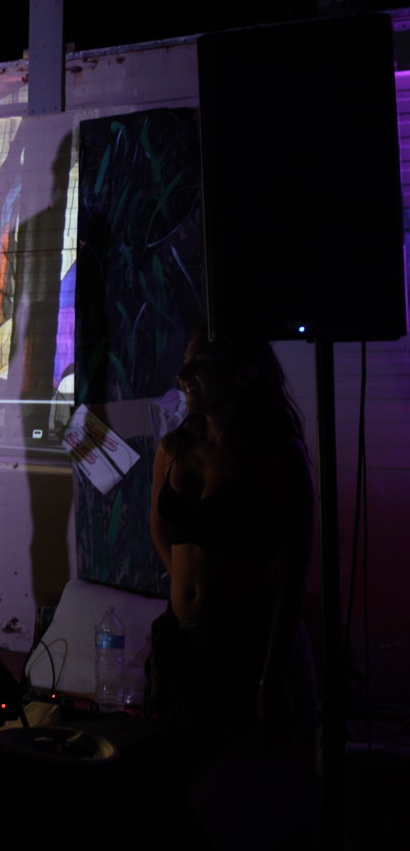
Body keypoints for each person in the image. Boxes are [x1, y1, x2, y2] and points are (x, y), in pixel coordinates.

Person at [147, 326, 317, 840]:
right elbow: (160, 526)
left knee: (244, 803)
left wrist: (271, 680)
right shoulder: (174, 448)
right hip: (184, 647)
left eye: (200, 365)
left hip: (245, 647)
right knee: (181, 794)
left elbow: (294, 573)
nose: (184, 375)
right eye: (185, 362)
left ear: (244, 375)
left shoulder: (275, 456)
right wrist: (186, 588)